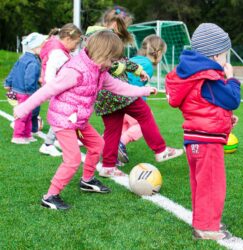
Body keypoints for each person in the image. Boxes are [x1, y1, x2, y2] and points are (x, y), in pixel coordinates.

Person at [13, 30, 157, 210]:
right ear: (102, 54)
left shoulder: (100, 70)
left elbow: (118, 87)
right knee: (72, 159)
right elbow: (47, 90)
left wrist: (144, 90)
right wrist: (23, 108)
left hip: (78, 120)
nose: (115, 64)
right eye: (113, 60)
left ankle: (87, 180)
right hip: (63, 120)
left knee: (98, 145)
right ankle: (50, 196)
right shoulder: (75, 71)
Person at [165, 23, 241, 240]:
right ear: (215, 55)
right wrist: (232, 78)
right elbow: (232, 98)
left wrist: (226, 119)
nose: (226, 61)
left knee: (201, 184)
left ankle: (204, 220)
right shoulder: (208, 77)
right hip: (207, 142)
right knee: (211, 184)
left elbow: (204, 105)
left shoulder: (192, 75)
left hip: (194, 139)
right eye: (225, 55)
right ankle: (206, 227)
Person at [90, 7, 183, 178]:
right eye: (125, 26)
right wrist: (137, 77)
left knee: (113, 129)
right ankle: (161, 150)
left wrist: (137, 69)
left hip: (103, 95)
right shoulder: (109, 39)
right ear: (116, 25)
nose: (126, 30)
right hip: (118, 91)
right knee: (144, 114)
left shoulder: (95, 38)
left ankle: (107, 166)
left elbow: (121, 61)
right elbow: (116, 64)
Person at [118, 34, 167, 164]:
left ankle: (108, 147)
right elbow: (133, 84)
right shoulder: (148, 66)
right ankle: (120, 143)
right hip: (129, 100)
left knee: (122, 126)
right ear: (159, 52)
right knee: (143, 124)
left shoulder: (136, 59)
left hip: (117, 99)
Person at [38, 23, 83, 157]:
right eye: (76, 43)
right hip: (57, 90)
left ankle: (58, 140)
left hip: (58, 89)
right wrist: (52, 89)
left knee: (67, 115)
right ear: (68, 39)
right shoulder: (58, 52)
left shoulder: (60, 50)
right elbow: (50, 72)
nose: (76, 47)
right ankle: (47, 144)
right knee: (62, 116)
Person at [4, 32, 47, 144]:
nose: (44, 49)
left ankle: (27, 135)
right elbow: (29, 79)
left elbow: (13, 70)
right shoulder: (33, 62)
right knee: (24, 115)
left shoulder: (23, 57)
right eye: (43, 47)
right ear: (36, 47)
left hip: (19, 90)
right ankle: (18, 136)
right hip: (26, 92)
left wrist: (8, 83)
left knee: (28, 114)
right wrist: (33, 94)